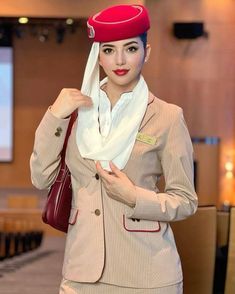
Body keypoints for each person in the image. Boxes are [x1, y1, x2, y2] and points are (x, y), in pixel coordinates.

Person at [30, 4, 197, 294]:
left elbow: (185, 200)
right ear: (98, 56)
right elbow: (40, 178)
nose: (119, 59)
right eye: (108, 50)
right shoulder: (75, 112)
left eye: (131, 48)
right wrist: (54, 115)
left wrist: (135, 196)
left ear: (147, 51)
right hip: (81, 273)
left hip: (147, 272)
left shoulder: (167, 117)